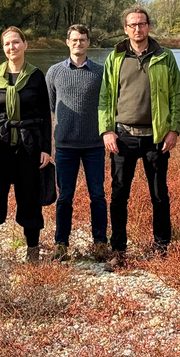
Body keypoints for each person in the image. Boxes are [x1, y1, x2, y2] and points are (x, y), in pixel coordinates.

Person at [99, 5, 180, 265]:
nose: (138, 28)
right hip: (122, 137)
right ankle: (118, 250)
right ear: (126, 29)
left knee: (159, 194)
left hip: (156, 139)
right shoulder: (115, 58)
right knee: (118, 194)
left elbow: (177, 95)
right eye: (133, 24)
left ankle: (161, 248)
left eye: (142, 24)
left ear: (149, 26)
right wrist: (107, 130)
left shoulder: (165, 56)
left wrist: (174, 129)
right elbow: (104, 98)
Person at [0, 26, 52, 263]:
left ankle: (32, 252)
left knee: (30, 198)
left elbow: (46, 116)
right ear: (3, 47)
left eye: (16, 42)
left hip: (28, 147)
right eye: (7, 44)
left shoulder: (37, 76)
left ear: (25, 45)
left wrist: (46, 149)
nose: (12, 47)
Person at [45, 23, 108, 262]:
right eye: (74, 40)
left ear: (88, 42)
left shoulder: (100, 72)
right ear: (67, 42)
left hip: (94, 144)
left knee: (98, 195)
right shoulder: (55, 72)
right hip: (65, 145)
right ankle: (61, 243)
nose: (78, 43)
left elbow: (106, 104)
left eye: (82, 39)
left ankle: (100, 242)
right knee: (64, 196)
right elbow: (52, 105)